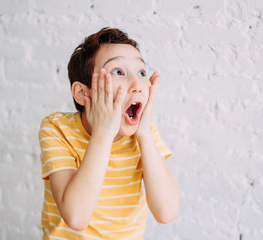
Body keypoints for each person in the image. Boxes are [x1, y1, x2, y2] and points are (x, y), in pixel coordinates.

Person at [39, 27, 180, 240]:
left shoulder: (145, 133)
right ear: (82, 93)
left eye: (141, 72)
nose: (137, 85)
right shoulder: (57, 128)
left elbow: (166, 212)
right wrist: (103, 135)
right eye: (118, 72)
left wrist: (144, 135)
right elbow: (76, 217)